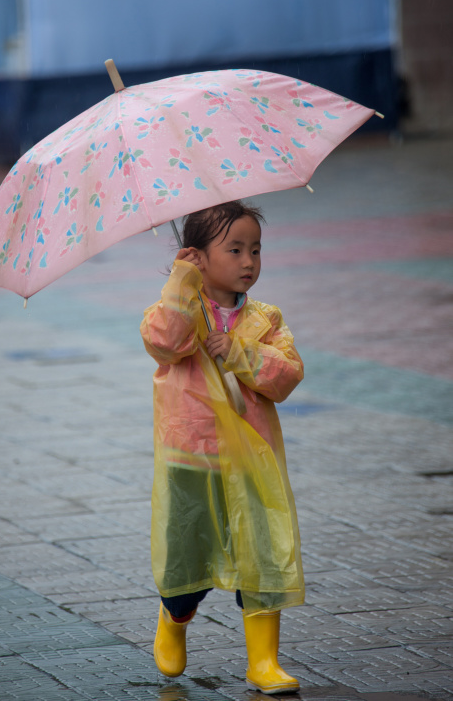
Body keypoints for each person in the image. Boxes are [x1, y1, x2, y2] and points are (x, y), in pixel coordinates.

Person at [140, 200, 305, 695]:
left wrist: (241, 353)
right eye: (234, 250)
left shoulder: (264, 319)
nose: (248, 261)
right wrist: (180, 284)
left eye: (255, 249)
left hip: (252, 459)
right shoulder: (177, 312)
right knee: (188, 556)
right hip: (192, 456)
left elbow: (287, 374)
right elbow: (163, 343)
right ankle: (174, 618)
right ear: (198, 256)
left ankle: (263, 660)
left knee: (263, 553)